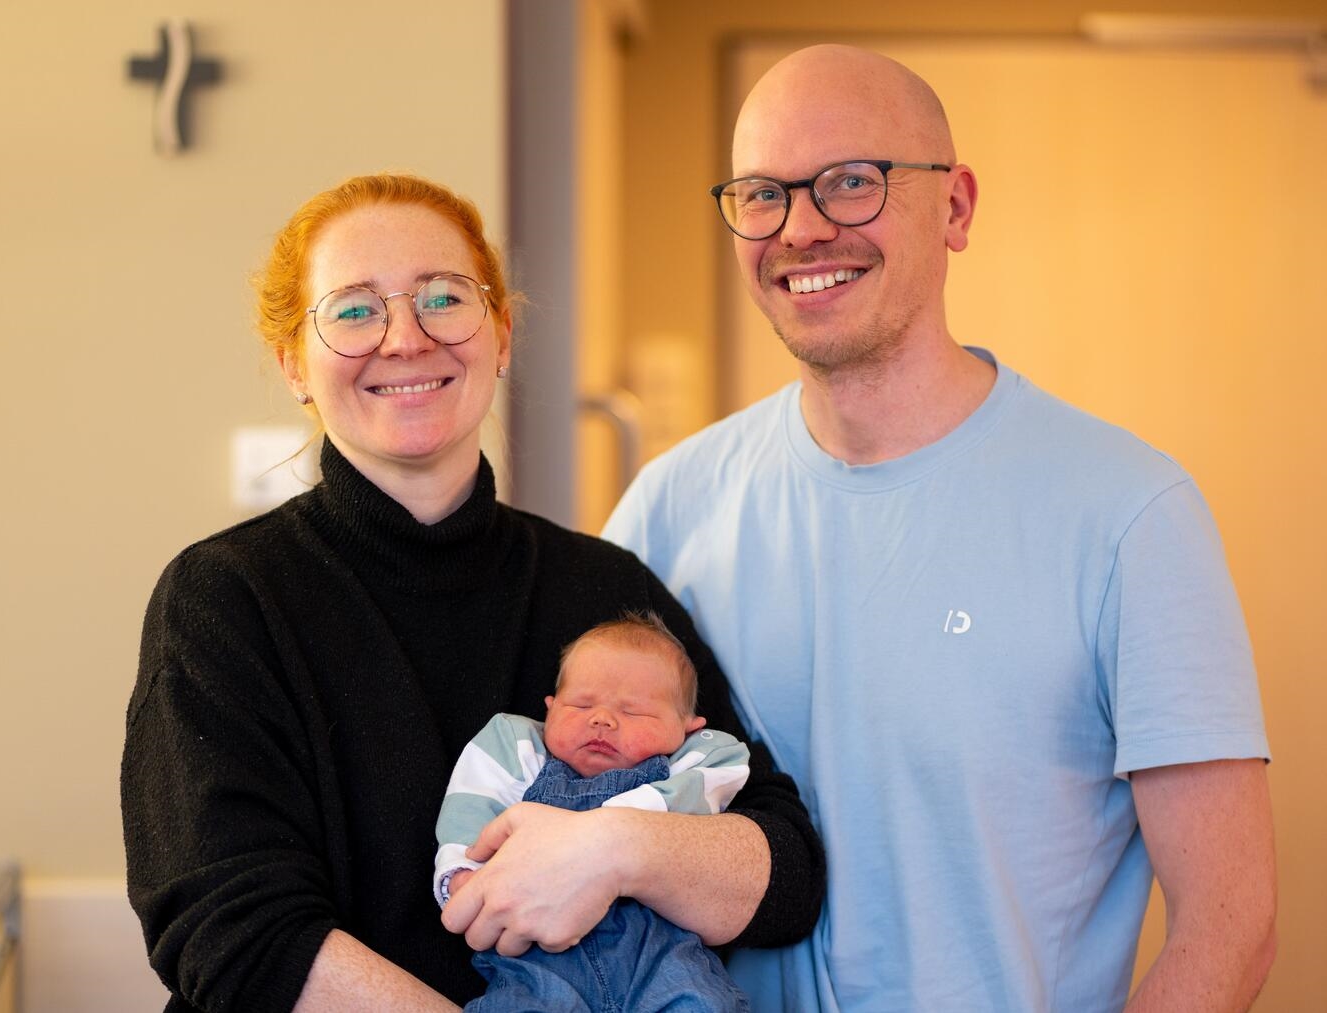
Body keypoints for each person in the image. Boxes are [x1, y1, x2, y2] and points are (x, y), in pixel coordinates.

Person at [603, 44, 1275, 1013]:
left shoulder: (1127, 513)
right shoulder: (669, 508)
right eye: (762, 193)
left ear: (954, 207)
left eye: (851, 183)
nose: (801, 228)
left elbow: (1231, 923)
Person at [120, 172, 824, 1013]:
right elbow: (232, 934)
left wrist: (619, 847)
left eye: (444, 298)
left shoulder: (605, 588)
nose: (406, 338)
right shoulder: (224, 599)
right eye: (353, 310)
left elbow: (783, 874)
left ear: (501, 334)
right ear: (293, 365)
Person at [435, 612, 751, 1011]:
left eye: (634, 712)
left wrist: (615, 826)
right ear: (549, 708)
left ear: (686, 728)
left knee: (702, 1003)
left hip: (661, 958)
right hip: (538, 964)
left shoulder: (697, 760)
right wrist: (463, 873)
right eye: (580, 704)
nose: (601, 719)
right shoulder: (520, 750)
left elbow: (721, 770)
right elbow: (473, 805)